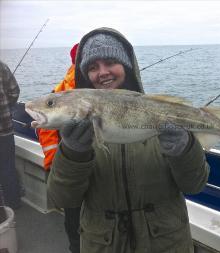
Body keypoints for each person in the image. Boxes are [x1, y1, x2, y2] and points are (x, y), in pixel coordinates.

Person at [47, 27, 210, 253]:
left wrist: (184, 149)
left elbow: (195, 185)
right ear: (84, 75)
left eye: (110, 62)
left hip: (166, 244)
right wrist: (73, 153)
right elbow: (62, 198)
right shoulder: (74, 127)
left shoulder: (160, 113)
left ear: (127, 65)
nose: (102, 72)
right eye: (93, 67)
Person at [36, 43, 81, 253]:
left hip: (67, 165)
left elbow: (44, 129)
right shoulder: (91, 86)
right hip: (86, 164)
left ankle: (75, 247)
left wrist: (52, 162)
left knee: (73, 214)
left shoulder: (58, 89)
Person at [0, 60, 21, 209]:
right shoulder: (1, 66)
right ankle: (13, 202)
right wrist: (6, 106)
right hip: (5, 129)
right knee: (8, 167)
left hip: (6, 130)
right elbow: (14, 91)